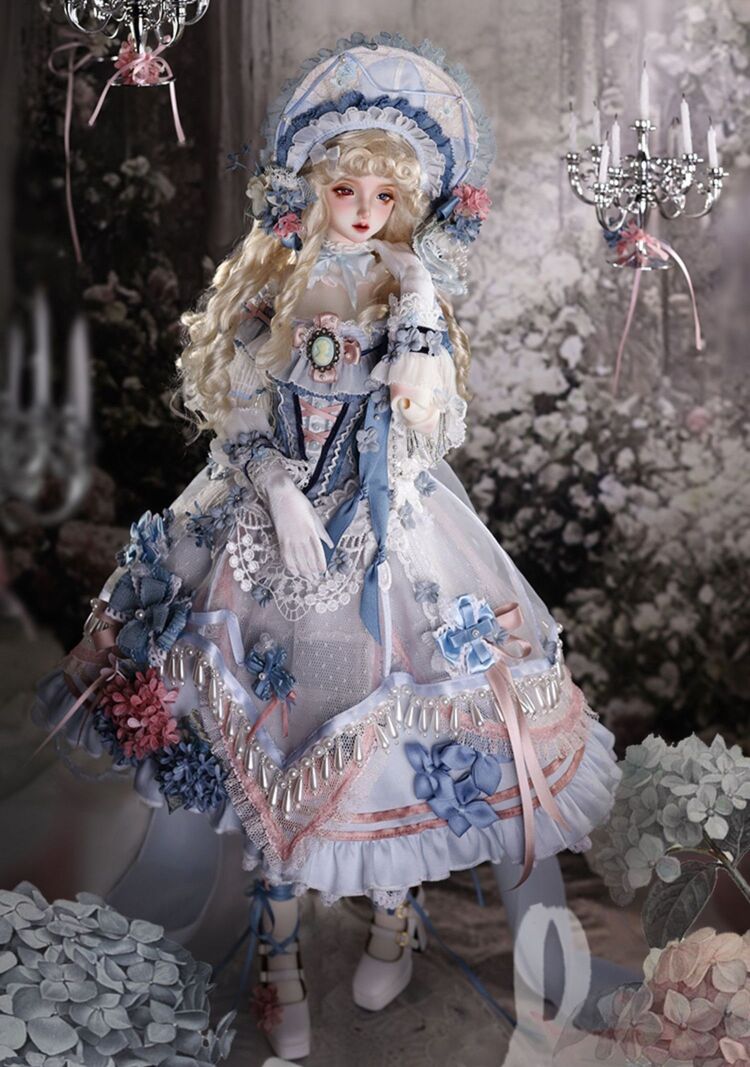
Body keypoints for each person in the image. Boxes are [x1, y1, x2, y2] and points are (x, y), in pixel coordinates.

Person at [33, 33, 621, 1060]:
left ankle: (393, 914)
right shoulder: (277, 287)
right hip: (268, 528)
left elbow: (426, 419)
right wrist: (276, 489)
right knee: (273, 734)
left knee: (377, 723)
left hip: (388, 527)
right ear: (314, 190)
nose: (361, 210)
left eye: (382, 196)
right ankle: (279, 958)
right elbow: (240, 413)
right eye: (345, 189)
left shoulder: (405, 292)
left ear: (406, 204)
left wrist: (421, 300)